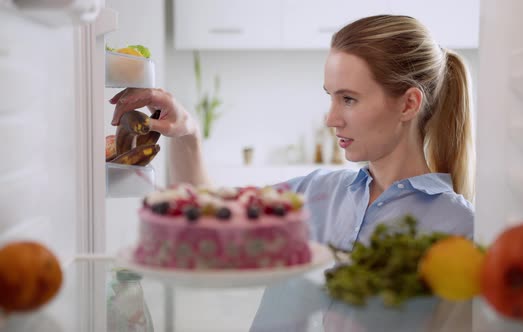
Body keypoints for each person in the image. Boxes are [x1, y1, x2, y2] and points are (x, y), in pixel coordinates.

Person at [111, 14, 475, 331]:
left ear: (409, 104)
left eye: (348, 99)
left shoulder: (460, 227)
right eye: (330, 96)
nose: (331, 118)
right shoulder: (316, 193)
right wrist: (188, 134)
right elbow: (215, 219)